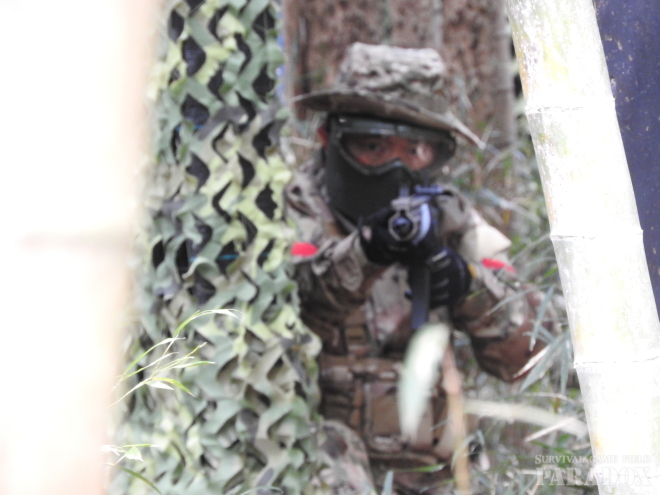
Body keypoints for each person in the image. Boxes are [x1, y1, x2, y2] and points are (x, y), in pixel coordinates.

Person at [286, 43, 553, 494]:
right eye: (373, 146)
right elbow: (292, 313)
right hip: (314, 468)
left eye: (414, 150)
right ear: (330, 138)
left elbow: (532, 357)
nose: (395, 165)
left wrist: (469, 286)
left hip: (434, 474)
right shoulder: (283, 214)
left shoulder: (452, 220)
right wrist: (367, 251)